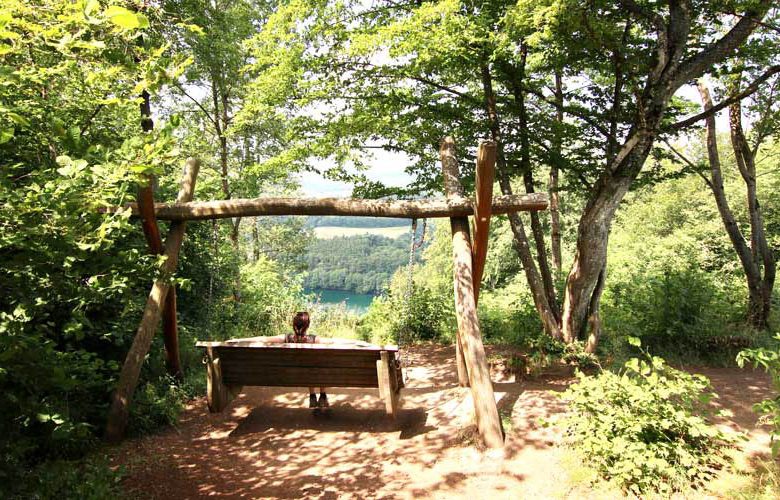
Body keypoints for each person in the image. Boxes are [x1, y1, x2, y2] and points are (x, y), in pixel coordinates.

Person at [233, 311, 373, 411]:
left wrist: (238, 340)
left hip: (294, 376)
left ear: (294, 324)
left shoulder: (286, 338)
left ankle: (312, 395)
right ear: (308, 326)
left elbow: (263, 339)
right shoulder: (314, 340)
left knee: (308, 367)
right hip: (316, 374)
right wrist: (359, 342)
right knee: (320, 365)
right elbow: (335, 341)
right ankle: (322, 395)